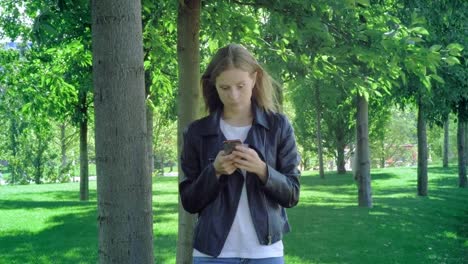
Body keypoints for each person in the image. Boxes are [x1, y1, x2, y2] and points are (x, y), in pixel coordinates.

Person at [179, 43, 301, 264]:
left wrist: (263, 170)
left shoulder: (278, 126)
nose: (233, 95)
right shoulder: (197, 132)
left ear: (254, 79)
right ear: (213, 85)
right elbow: (189, 201)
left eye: (241, 85)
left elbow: (292, 194)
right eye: (224, 88)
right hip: (212, 255)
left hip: (266, 253)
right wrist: (214, 172)